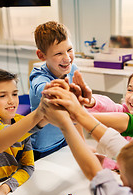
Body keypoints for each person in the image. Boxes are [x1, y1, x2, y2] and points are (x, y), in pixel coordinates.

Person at [29, 21, 91, 160]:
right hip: (45, 146)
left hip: (67, 137)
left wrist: (83, 145)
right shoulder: (38, 76)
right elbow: (43, 89)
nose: (67, 58)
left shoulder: (73, 69)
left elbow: (76, 115)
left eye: (69, 50)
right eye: (58, 53)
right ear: (41, 55)